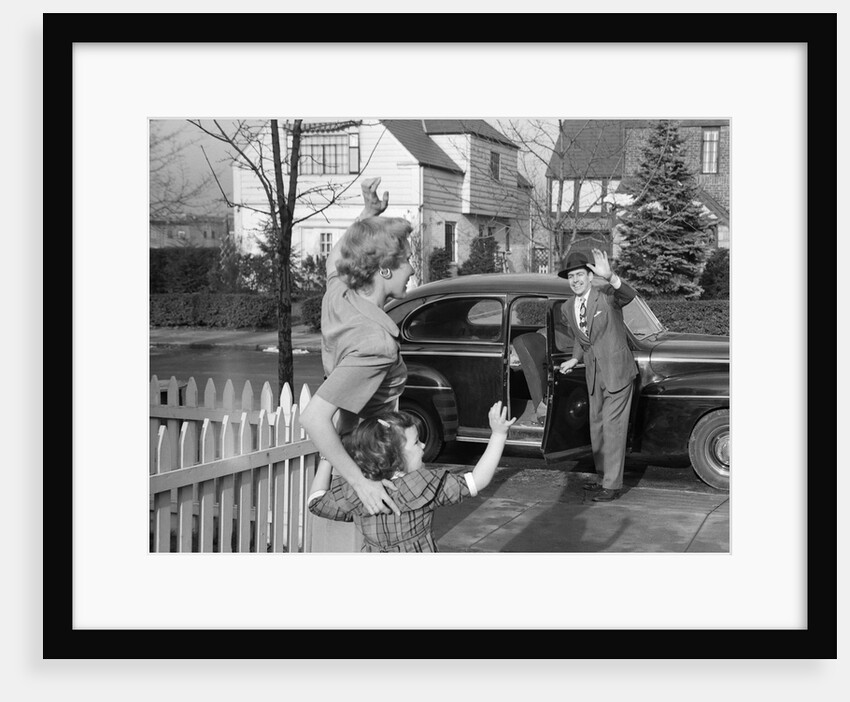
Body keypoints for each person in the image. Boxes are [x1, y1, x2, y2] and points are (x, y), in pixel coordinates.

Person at [299, 177, 413, 518]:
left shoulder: (340, 294)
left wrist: (368, 214)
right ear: (383, 269)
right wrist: (361, 483)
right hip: (371, 464)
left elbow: (339, 257)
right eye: (406, 260)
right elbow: (314, 417)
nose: (411, 268)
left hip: (354, 454)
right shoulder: (375, 344)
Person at [307, 401, 516, 552]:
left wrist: (329, 457)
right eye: (416, 442)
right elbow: (477, 480)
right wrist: (498, 434)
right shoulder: (424, 485)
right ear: (395, 458)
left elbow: (316, 502)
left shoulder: (358, 491)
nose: (423, 445)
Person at [557, 249, 637, 502]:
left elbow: (629, 295)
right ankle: (603, 477)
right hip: (593, 374)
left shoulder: (606, 297)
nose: (575, 280)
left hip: (617, 373)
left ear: (591, 276)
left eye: (580, 274)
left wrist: (611, 276)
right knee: (597, 428)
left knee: (613, 428)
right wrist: (574, 357)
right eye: (571, 276)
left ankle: (612, 486)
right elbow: (583, 338)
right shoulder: (568, 306)